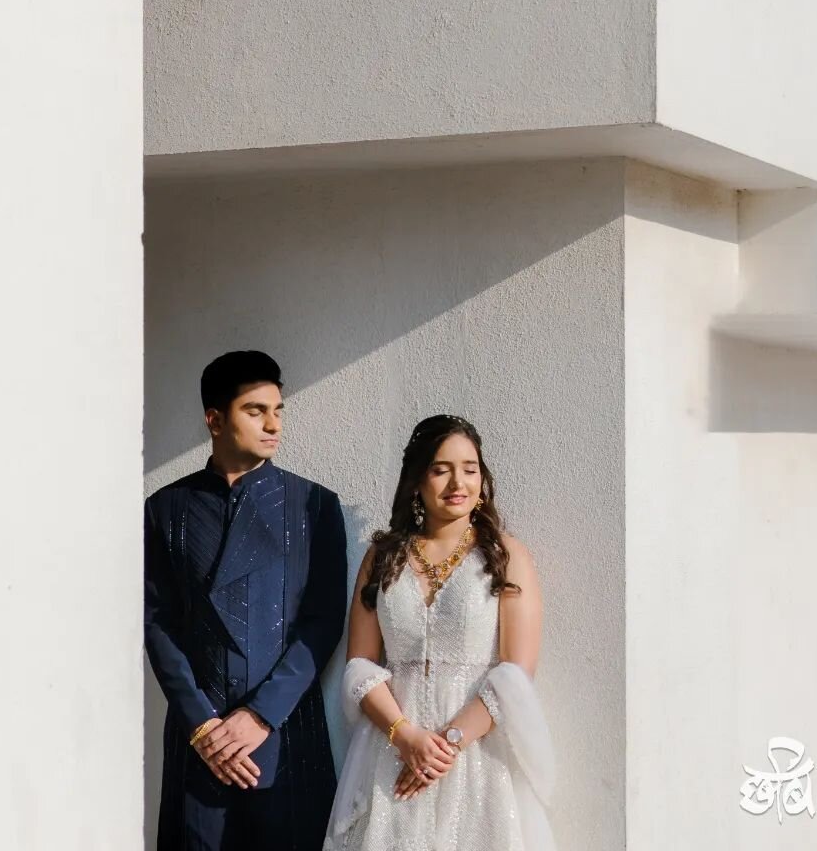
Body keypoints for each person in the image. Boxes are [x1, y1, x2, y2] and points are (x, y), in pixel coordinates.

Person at [145, 349, 347, 850]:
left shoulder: (313, 505)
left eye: (278, 410)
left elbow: (322, 622)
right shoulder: (165, 509)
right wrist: (203, 726)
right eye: (255, 411)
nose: (272, 424)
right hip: (202, 735)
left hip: (283, 728)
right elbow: (155, 621)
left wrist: (259, 716)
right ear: (214, 419)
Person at [324, 414, 556, 851]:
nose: (458, 482)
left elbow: (516, 673)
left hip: (477, 754)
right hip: (392, 749)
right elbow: (359, 665)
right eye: (441, 469)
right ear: (417, 478)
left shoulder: (507, 555)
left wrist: (446, 746)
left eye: (470, 469)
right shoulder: (382, 556)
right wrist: (405, 737)